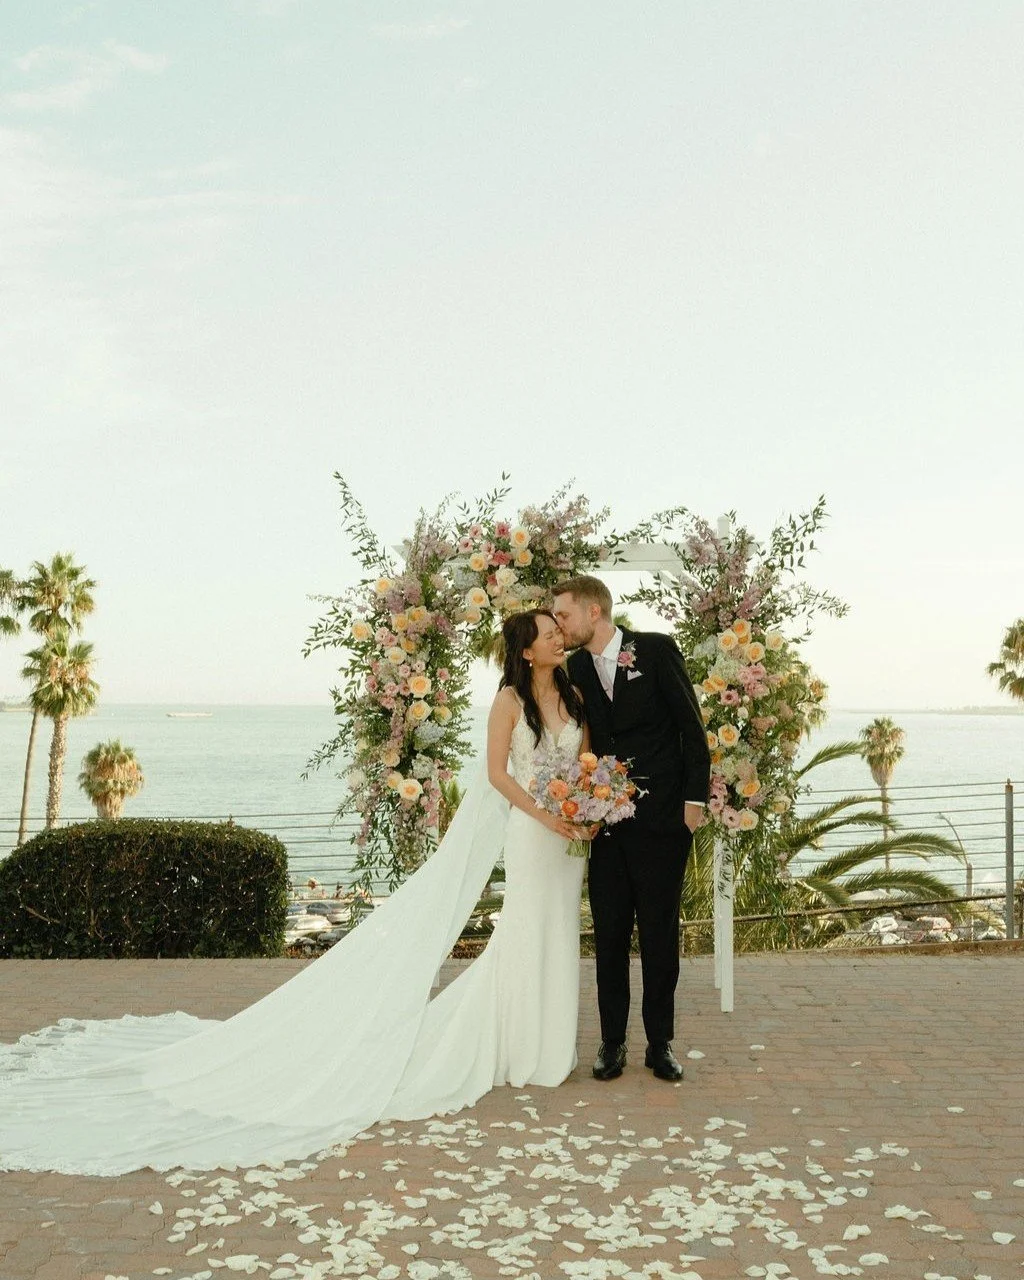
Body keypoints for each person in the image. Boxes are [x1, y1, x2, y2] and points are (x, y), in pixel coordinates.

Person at [0, 611, 594, 1176]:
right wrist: (548, 815)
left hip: (570, 835)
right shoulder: (508, 702)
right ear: (524, 649)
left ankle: (546, 1047)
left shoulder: (572, 697)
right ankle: (516, 1050)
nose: (557, 640)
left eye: (556, 631)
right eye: (547, 634)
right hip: (532, 831)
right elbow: (497, 774)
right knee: (521, 933)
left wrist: (588, 806)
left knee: (556, 935)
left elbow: (585, 759)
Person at [553, 576, 711, 1083]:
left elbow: (692, 728)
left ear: (594, 612)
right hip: (607, 830)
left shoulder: (658, 651)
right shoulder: (574, 667)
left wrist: (693, 803)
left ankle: (660, 1044)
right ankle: (612, 1042)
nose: (559, 625)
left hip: (664, 820)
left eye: (564, 615)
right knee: (610, 934)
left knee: (660, 935)